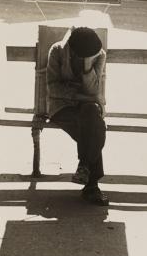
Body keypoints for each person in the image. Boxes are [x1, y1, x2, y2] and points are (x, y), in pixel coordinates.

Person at [46, 27, 109, 206]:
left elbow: (94, 90)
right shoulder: (57, 51)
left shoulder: (98, 54)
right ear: (73, 51)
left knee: (91, 121)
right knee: (94, 129)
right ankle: (92, 186)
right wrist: (84, 96)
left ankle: (84, 166)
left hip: (87, 108)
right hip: (62, 108)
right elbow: (53, 88)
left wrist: (88, 64)